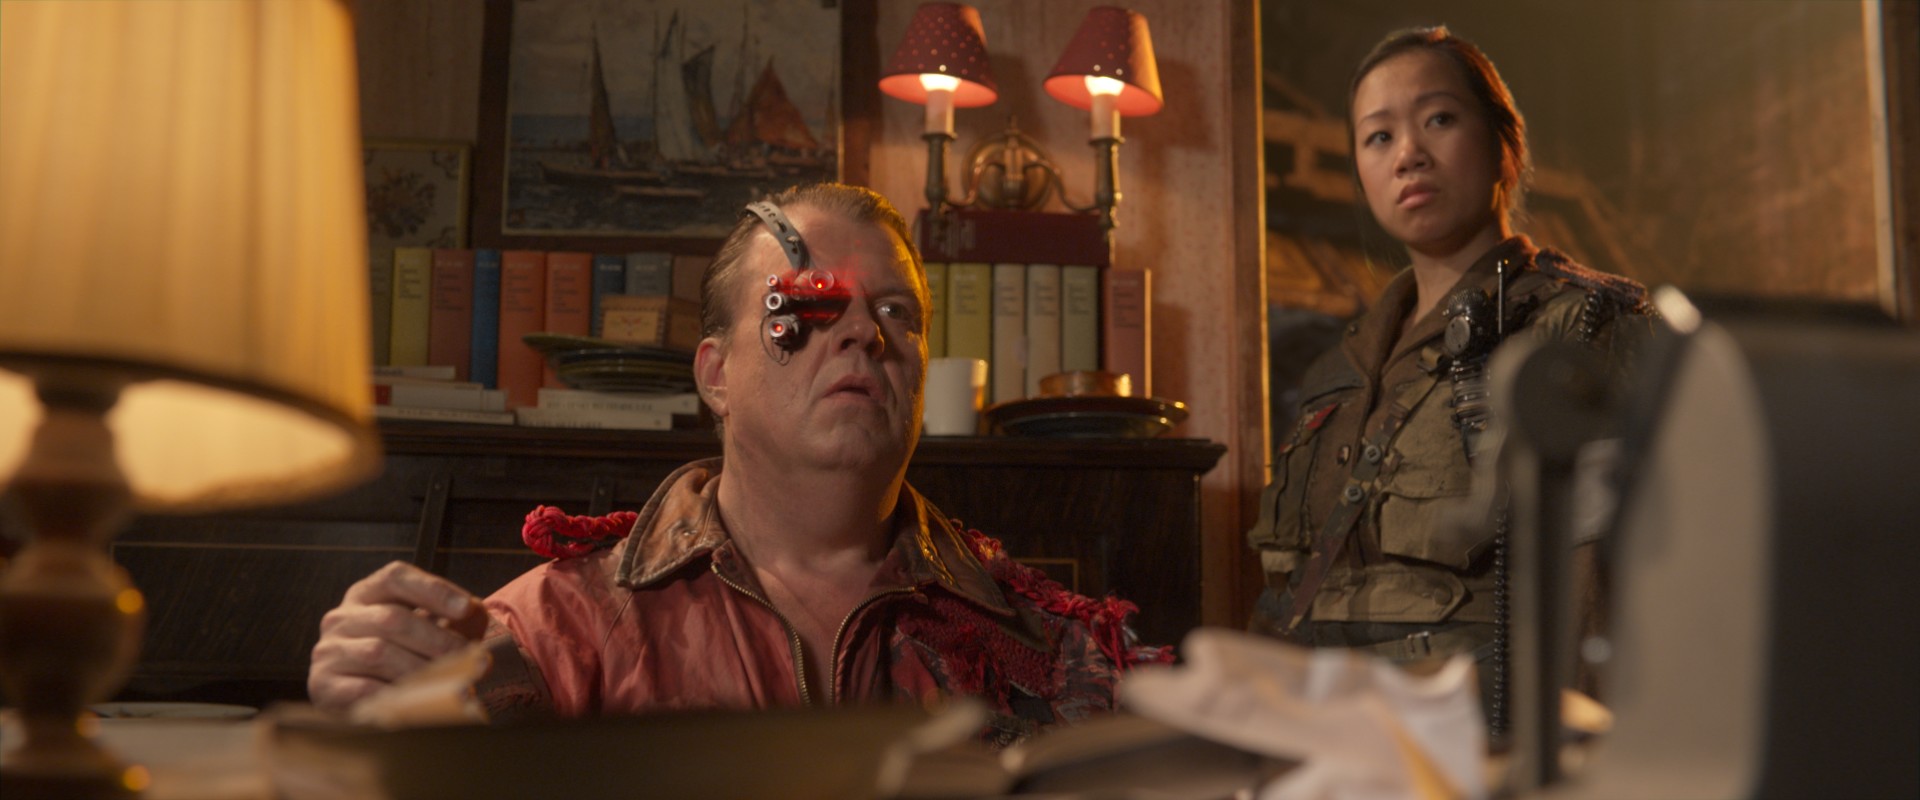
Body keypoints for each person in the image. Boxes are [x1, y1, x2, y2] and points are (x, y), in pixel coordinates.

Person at [309, 183, 1163, 744]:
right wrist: (373, 739)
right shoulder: (551, 637)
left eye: (896, 312)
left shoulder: (1057, 650)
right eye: (810, 305)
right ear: (716, 376)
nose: (864, 333)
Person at [1243, 26, 1652, 733]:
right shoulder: (1336, 373)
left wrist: (1574, 754)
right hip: (1324, 728)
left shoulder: (1578, 325)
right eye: (1378, 137)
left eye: (1438, 119)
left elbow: (1600, 589)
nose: (1408, 154)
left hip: (1480, 733)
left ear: (1503, 146)